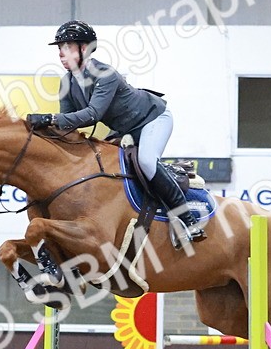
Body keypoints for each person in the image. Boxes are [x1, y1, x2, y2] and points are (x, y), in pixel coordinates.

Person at [26, 20, 205, 247]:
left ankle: (186, 218)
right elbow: (67, 125)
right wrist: (41, 132)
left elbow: (92, 114)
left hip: (153, 119)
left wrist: (49, 118)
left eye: (67, 47)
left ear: (84, 48)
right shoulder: (67, 82)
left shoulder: (105, 75)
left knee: (147, 162)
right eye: (59, 48)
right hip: (124, 128)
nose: (61, 54)